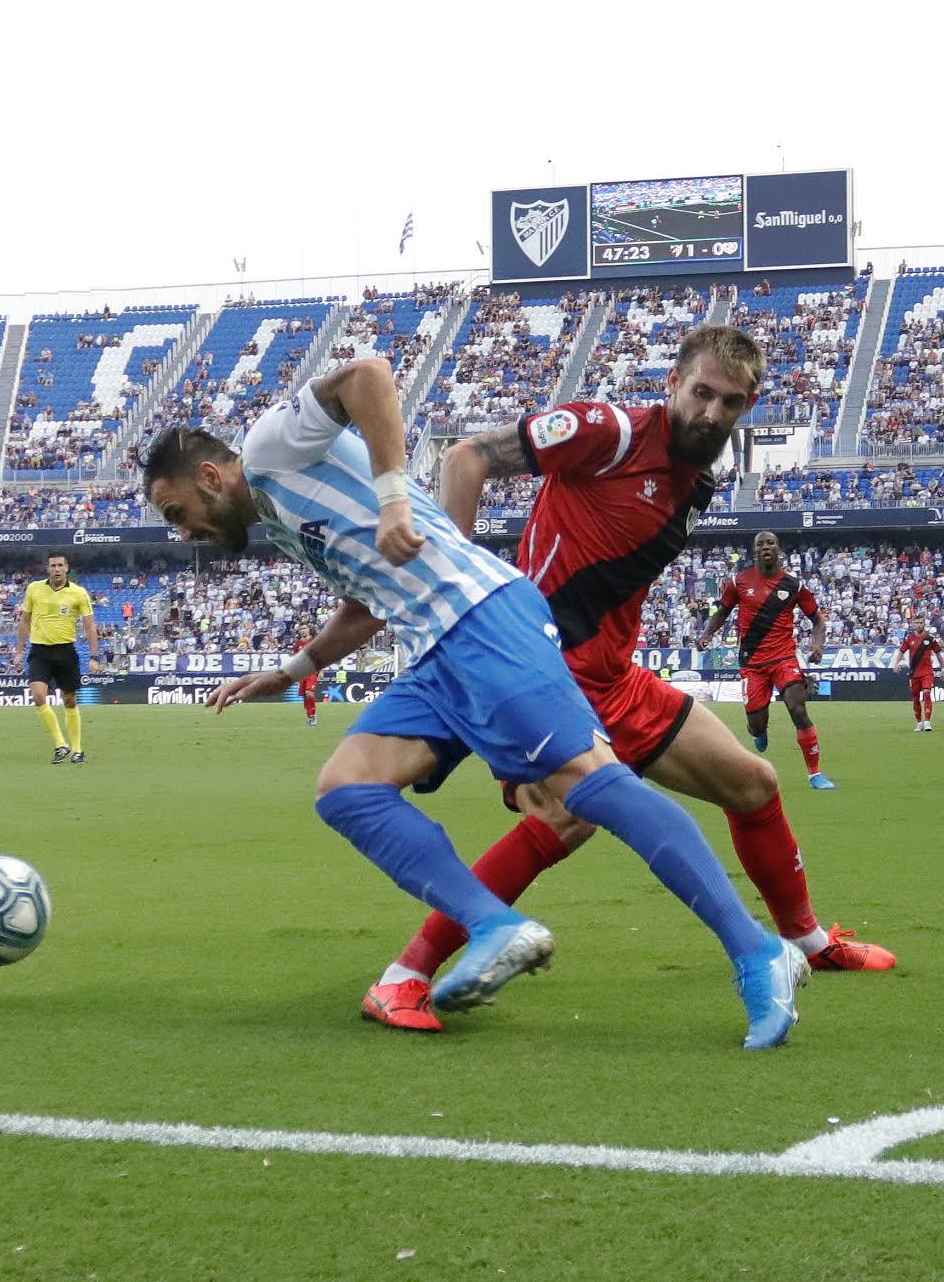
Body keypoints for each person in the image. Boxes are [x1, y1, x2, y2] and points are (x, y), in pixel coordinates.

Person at [141, 355, 808, 1050]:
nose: (182, 532)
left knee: (589, 786)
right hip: (432, 647)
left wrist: (395, 498)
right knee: (347, 788)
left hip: (481, 616)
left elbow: (367, 376)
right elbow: (367, 603)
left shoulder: (268, 448)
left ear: (210, 477)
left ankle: (759, 952)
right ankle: (494, 926)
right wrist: (293, 669)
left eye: (177, 513)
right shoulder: (281, 513)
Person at [359, 327, 894, 1033]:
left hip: (614, 676)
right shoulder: (605, 431)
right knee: (564, 819)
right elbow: (466, 457)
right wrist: (458, 592)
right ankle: (403, 978)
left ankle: (807, 941)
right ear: (672, 383)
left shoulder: (698, 481)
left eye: (730, 402)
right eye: (700, 392)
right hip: (546, 672)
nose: (711, 412)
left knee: (754, 784)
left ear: (748, 405)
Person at [703, 530, 834, 789]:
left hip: (784, 657)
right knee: (756, 724)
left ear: (778, 549)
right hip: (752, 663)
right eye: (760, 544)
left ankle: (815, 774)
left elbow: (818, 621)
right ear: (755, 551)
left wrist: (818, 644)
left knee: (798, 708)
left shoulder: (794, 585)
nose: (766, 547)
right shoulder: (738, 581)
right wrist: (707, 634)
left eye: (770, 543)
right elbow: (722, 613)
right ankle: (760, 731)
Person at [20, 552, 96, 764]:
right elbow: (24, 621)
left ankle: (77, 749)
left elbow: (90, 626)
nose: (56, 569)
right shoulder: (34, 589)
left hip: (65, 652)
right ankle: (60, 745)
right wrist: (19, 650)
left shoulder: (79, 593)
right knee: (38, 696)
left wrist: (94, 656)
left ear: (67, 568)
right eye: (53, 566)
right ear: (47, 569)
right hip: (40, 651)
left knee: (69, 700)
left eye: (60, 565)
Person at [899, 613, 943, 732]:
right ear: (913, 624)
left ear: (924, 623)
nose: (919, 625)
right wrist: (896, 663)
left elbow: (938, 653)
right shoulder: (909, 639)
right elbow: (901, 651)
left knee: (927, 693)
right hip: (914, 673)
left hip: (927, 672)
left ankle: (927, 722)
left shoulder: (930, 638)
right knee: (915, 698)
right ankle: (919, 723)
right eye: (917, 623)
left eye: (921, 623)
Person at [296, 645, 322, 726]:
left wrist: (321, 671)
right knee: (305, 696)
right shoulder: (299, 648)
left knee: (309, 693)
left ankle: (314, 715)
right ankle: (310, 717)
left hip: (312, 673)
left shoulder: (313, 648)